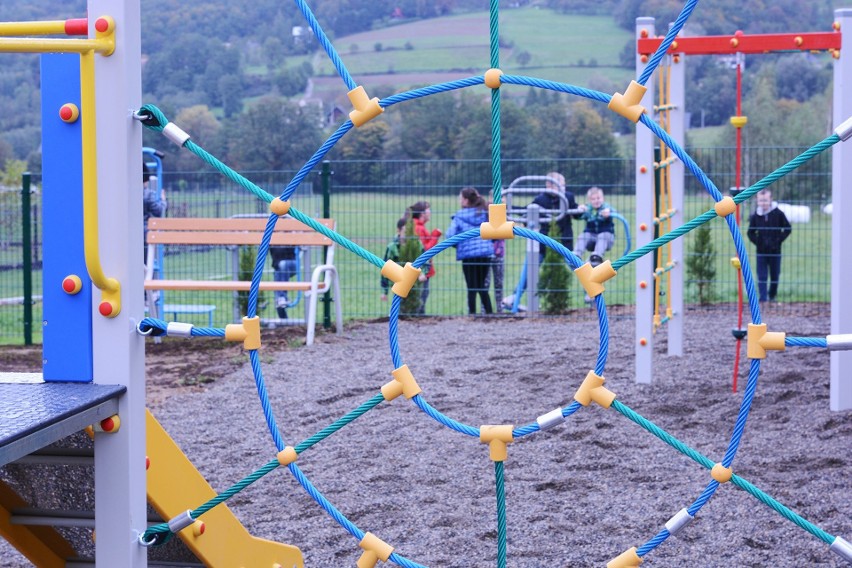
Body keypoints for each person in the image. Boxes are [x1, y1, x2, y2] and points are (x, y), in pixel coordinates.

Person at [446, 187, 494, 315]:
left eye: (460, 198)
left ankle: (472, 314)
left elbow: (450, 235)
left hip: (468, 256)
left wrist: (459, 245)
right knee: (482, 286)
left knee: (471, 287)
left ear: (466, 200)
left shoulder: (459, 216)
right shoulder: (484, 212)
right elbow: (495, 231)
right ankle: (490, 313)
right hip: (485, 254)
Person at [747, 189, 792, 303]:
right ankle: (763, 299)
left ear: (771, 199)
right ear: (757, 201)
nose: (763, 203)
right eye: (761, 200)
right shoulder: (755, 216)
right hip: (761, 251)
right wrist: (759, 242)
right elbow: (750, 233)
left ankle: (772, 296)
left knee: (775, 275)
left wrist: (778, 240)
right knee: (761, 276)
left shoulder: (778, 213)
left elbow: (787, 228)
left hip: (775, 251)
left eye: (766, 200)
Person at [531, 171, 580, 256]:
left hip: (565, 239)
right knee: (533, 261)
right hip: (545, 239)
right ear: (549, 186)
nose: (564, 188)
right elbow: (528, 209)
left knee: (571, 262)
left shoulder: (568, 197)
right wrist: (508, 207)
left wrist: (581, 209)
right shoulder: (540, 199)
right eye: (561, 186)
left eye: (564, 185)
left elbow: (576, 213)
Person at [409, 201, 442, 314]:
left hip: (420, 268)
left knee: (423, 293)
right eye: (428, 210)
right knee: (422, 294)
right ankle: (418, 316)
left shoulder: (418, 226)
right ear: (422, 213)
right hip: (421, 269)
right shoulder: (418, 228)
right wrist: (435, 235)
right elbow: (425, 251)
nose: (430, 212)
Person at [573, 186, 614, 266]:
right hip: (591, 238)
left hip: (606, 239)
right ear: (589, 200)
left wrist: (608, 212)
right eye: (593, 199)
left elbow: (612, 211)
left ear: (603, 198)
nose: (596, 201)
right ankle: (576, 255)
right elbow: (578, 216)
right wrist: (580, 210)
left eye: (598, 198)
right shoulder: (588, 209)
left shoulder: (606, 207)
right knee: (583, 236)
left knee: (603, 235)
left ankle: (596, 257)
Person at [142, 162, 166, 265]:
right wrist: (163, 200)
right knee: (145, 262)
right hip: (144, 234)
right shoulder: (147, 193)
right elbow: (158, 211)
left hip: (127, 232)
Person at [269, 244, 299, 319]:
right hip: (278, 268)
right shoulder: (270, 236)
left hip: (292, 263)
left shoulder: (289, 233)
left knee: (283, 265)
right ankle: (284, 320)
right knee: (278, 297)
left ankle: (282, 297)